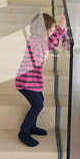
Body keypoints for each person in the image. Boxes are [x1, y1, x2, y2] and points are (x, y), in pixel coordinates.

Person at [15, 12, 69, 147]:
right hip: (26, 81)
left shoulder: (41, 41)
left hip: (32, 80)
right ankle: (24, 132)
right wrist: (60, 28)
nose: (52, 33)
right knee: (38, 105)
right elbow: (50, 44)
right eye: (50, 30)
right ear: (40, 29)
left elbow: (54, 44)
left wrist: (63, 29)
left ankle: (32, 127)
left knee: (40, 101)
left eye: (53, 31)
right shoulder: (34, 40)